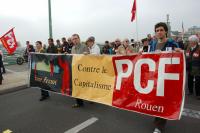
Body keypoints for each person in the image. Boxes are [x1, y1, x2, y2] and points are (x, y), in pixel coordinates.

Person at [150, 22, 179, 133]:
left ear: (166, 31)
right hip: (156, 76)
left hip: (167, 76)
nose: (159, 32)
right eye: (157, 30)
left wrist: (178, 51)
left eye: (161, 30)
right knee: (156, 99)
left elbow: (179, 56)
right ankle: (158, 119)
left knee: (163, 100)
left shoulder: (172, 43)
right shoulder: (153, 43)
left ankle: (159, 126)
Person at [71, 34, 89, 108]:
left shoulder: (84, 46)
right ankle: (79, 102)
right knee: (76, 85)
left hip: (83, 70)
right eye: (73, 39)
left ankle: (91, 97)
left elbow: (89, 56)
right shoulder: (72, 48)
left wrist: (87, 54)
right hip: (75, 70)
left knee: (85, 85)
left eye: (76, 38)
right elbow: (72, 57)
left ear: (79, 39)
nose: (75, 40)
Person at [186, 35, 200, 99]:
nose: (189, 42)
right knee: (189, 80)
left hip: (197, 68)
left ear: (195, 42)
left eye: (190, 41)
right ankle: (190, 91)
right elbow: (185, 54)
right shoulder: (188, 48)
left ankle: (198, 94)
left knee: (198, 81)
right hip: (189, 67)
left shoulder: (199, 48)